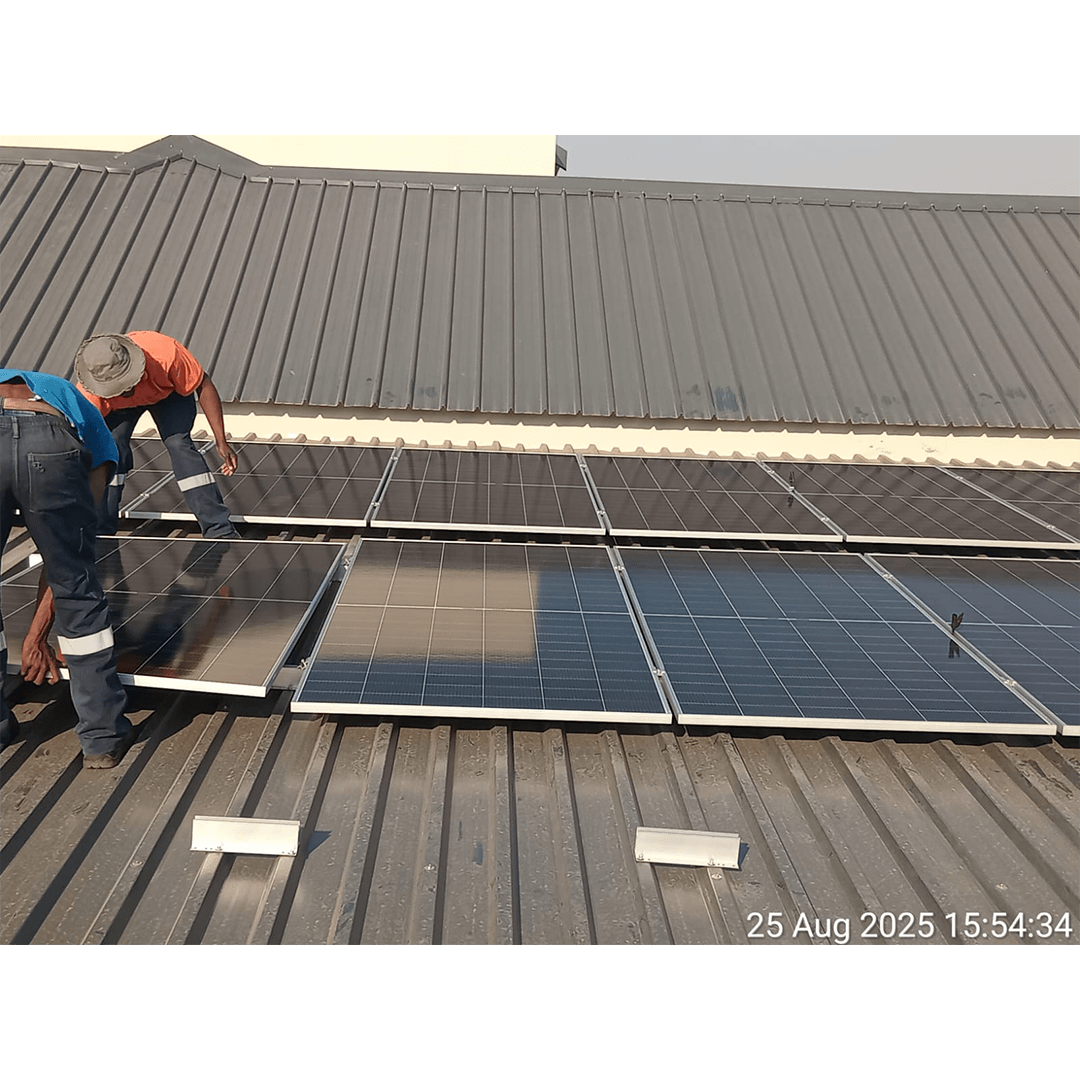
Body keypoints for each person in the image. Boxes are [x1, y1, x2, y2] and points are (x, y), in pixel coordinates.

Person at [0, 369, 135, 767]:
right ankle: (102, 738)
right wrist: (36, 637)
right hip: (50, 446)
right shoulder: (78, 407)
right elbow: (72, 556)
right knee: (76, 584)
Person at [74, 331, 240, 539]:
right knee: (110, 448)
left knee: (179, 445)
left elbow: (203, 385)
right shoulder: (91, 392)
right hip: (118, 407)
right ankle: (101, 530)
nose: (124, 390)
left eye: (125, 384)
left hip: (168, 395)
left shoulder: (166, 355)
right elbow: (83, 435)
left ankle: (219, 529)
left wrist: (221, 440)